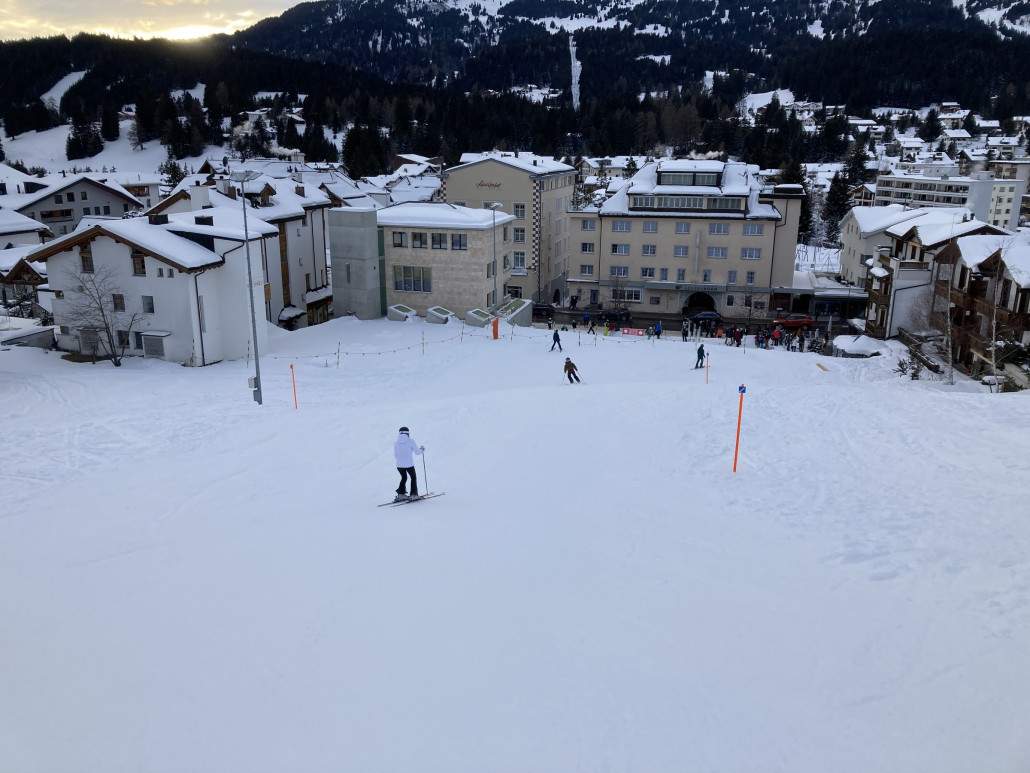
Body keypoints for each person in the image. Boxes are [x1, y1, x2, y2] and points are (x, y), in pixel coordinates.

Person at [393, 427, 424, 502]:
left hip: (399, 465)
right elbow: (417, 452)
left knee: (404, 477)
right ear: (407, 433)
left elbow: (395, 455)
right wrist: (422, 449)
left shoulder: (396, 442)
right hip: (409, 464)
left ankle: (401, 494)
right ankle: (413, 494)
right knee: (413, 478)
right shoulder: (410, 441)